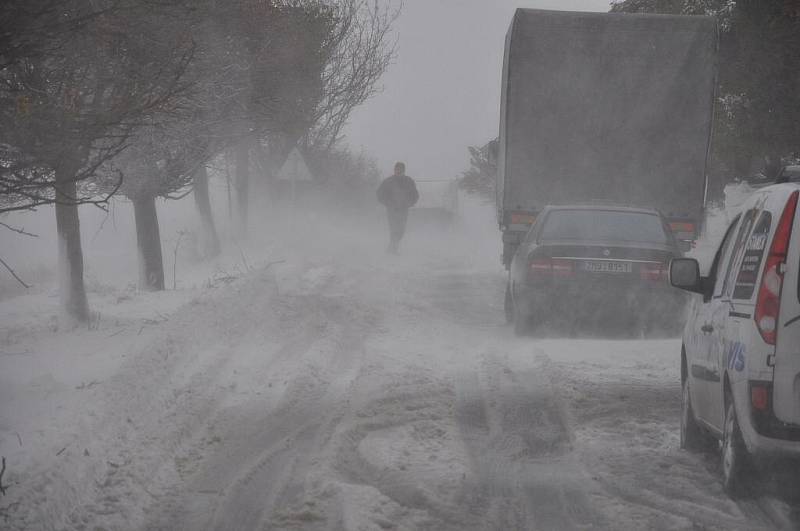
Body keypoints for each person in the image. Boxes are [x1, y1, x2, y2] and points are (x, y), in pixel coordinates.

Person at [376, 162, 419, 253]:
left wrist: (409, 203)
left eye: (400, 169)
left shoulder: (409, 181)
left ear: (404, 170)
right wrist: (388, 203)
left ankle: (392, 247)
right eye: (397, 169)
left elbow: (415, 195)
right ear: (394, 170)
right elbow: (379, 194)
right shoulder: (388, 181)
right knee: (393, 229)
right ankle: (392, 249)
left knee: (401, 230)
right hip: (392, 210)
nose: (398, 171)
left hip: (404, 210)